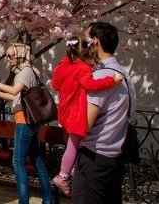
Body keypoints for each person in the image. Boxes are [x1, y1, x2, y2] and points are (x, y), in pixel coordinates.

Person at [49, 35, 122, 196]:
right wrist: (112, 81)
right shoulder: (83, 69)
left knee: (69, 142)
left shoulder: (62, 66)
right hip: (76, 112)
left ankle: (73, 168)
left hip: (64, 111)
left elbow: (54, 84)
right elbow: (90, 84)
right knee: (74, 144)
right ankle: (63, 175)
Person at [72, 21, 136, 204]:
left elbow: (85, 123)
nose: (83, 46)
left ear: (96, 42)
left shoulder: (101, 76)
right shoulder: (124, 74)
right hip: (115, 156)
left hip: (94, 156)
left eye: (86, 41)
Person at [0, 43, 54, 204]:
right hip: (29, 121)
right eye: (7, 56)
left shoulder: (24, 72)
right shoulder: (26, 71)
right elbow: (16, 98)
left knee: (18, 162)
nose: (8, 59)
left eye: (11, 56)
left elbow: (14, 91)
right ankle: (47, 199)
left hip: (24, 122)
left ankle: (24, 200)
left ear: (20, 55)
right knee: (36, 160)